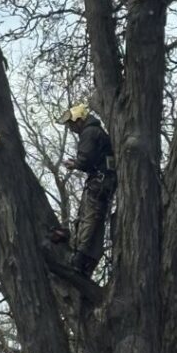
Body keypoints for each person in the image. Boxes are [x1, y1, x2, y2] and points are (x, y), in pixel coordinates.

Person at [57, 103, 116, 275]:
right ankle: (87, 259)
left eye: (72, 125)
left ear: (80, 120)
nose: (72, 128)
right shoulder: (96, 131)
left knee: (88, 218)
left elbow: (85, 160)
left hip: (99, 183)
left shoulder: (89, 132)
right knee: (94, 220)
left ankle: (80, 257)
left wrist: (74, 164)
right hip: (103, 182)